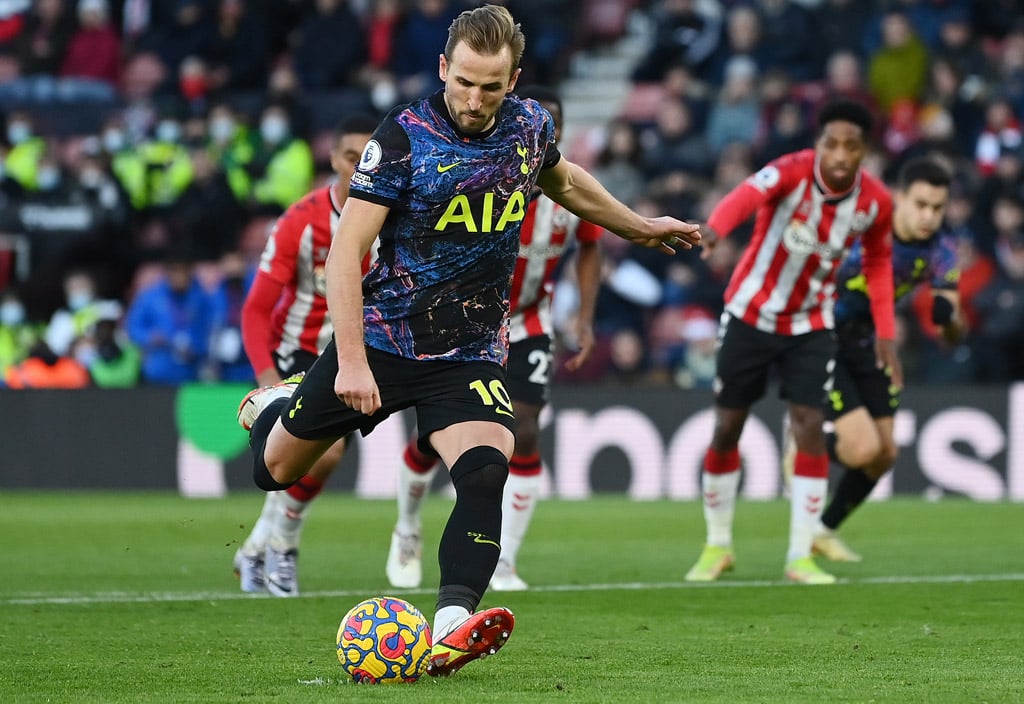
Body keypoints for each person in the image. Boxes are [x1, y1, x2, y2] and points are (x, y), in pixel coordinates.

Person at [235, 4, 699, 677]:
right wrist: (353, 365)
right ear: (444, 68)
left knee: (485, 469)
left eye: (492, 86)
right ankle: (277, 405)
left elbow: (563, 181)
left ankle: (453, 621)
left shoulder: (531, 127)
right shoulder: (401, 139)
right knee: (274, 470)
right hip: (387, 338)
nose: (476, 100)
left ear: (513, 81)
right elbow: (345, 254)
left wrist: (638, 226)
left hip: (471, 347)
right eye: (466, 83)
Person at [383, 84, 604, 593]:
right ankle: (407, 529)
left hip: (526, 321)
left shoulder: (570, 194)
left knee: (524, 429)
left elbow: (592, 248)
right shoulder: (478, 177)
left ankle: (504, 562)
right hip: (462, 323)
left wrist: (585, 316)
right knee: (437, 440)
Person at [684, 98, 900, 586]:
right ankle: (717, 545)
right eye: (832, 144)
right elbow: (743, 195)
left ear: (865, 151)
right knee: (727, 428)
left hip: (810, 325)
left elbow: (879, 264)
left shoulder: (875, 203)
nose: (841, 155)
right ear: (818, 143)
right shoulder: (791, 171)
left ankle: (800, 555)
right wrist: (716, 229)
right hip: (750, 314)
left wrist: (887, 330)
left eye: (852, 146)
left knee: (808, 424)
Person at [782, 156, 961, 563]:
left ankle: (822, 531)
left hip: (871, 344)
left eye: (937, 208)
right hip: (823, 337)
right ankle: (806, 438)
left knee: (884, 456)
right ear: (899, 198)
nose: (928, 216)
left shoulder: (943, 251)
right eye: (920, 204)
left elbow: (953, 326)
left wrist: (948, 320)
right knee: (862, 449)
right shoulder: (861, 228)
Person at [232, 113, 379, 596]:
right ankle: (284, 547)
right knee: (325, 449)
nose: (359, 168)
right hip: (300, 351)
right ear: (334, 158)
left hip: (359, 353)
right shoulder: (301, 221)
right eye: (350, 157)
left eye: (367, 158)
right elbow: (256, 309)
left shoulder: (392, 217)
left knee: (313, 458)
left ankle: (257, 547)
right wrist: (268, 375)